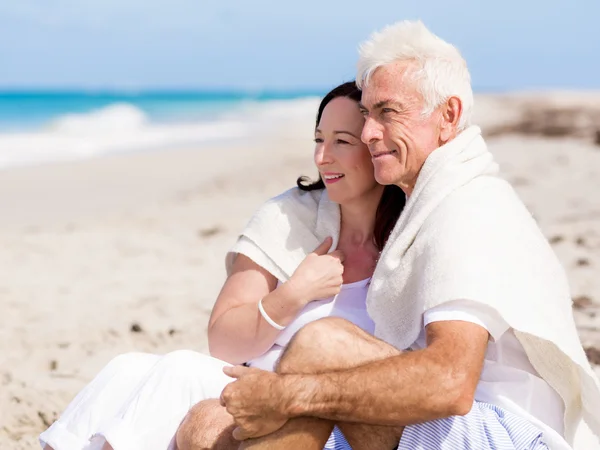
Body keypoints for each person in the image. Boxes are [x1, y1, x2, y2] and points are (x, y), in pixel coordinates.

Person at [210, 21, 600, 450]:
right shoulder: (431, 199)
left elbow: (449, 384)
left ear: (448, 116)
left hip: (505, 432)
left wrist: (285, 395)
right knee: (206, 426)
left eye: (387, 112)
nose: (370, 133)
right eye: (367, 115)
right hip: (450, 423)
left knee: (325, 345)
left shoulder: (469, 206)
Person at [39, 81, 406, 450]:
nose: (323, 157)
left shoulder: (411, 239)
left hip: (328, 414)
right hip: (250, 389)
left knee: (178, 370)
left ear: (377, 147)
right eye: (317, 140)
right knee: (126, 369)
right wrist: (293, 294)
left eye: (342, 141)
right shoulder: (290, 216)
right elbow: (223, 341)